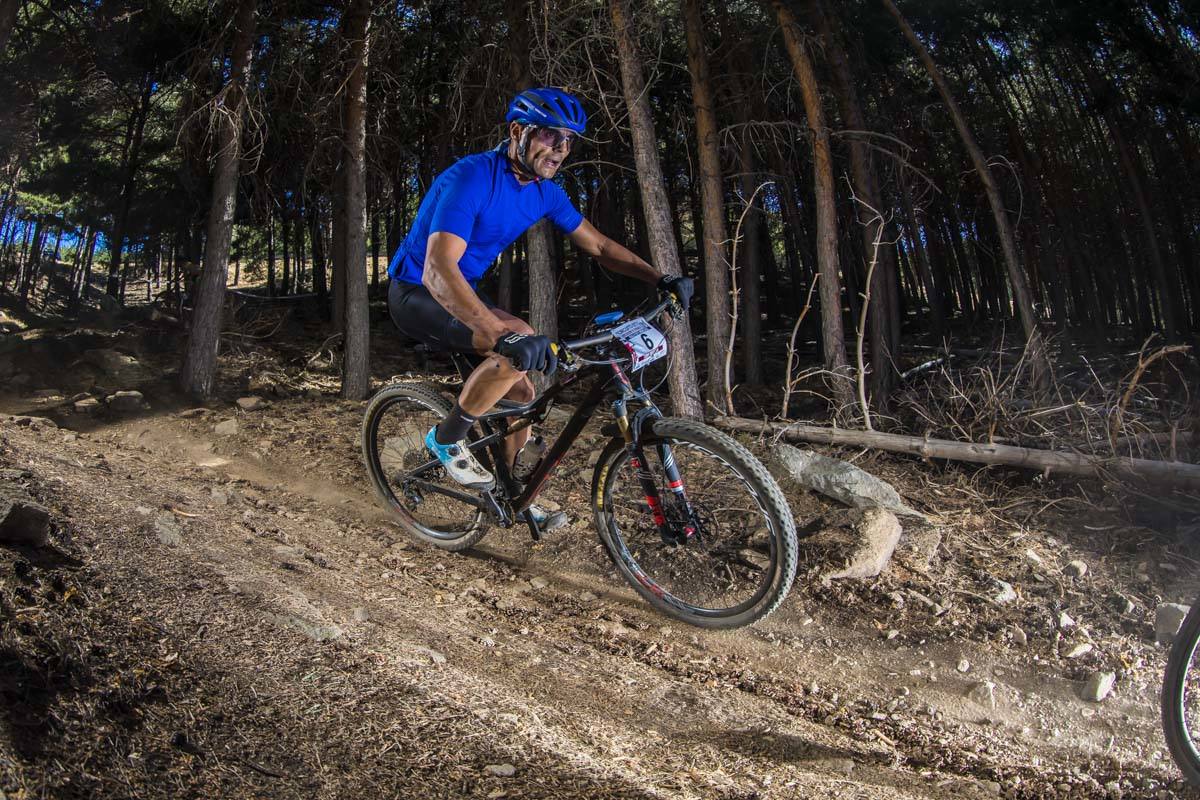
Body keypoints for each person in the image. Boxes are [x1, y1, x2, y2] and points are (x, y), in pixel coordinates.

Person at [386, 87, 693, 529]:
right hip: (417, 293)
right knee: (518, 344)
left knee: (523, 394)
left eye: (569, 141)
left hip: (461, 291)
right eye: (551, 136)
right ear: (518, 131)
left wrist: (658, 278)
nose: (561, 150)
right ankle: (446, 438)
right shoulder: (471, 177)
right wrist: (503, 334)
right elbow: (438, 270)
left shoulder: (545, 192)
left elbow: (600, 245)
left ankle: (512, 496)